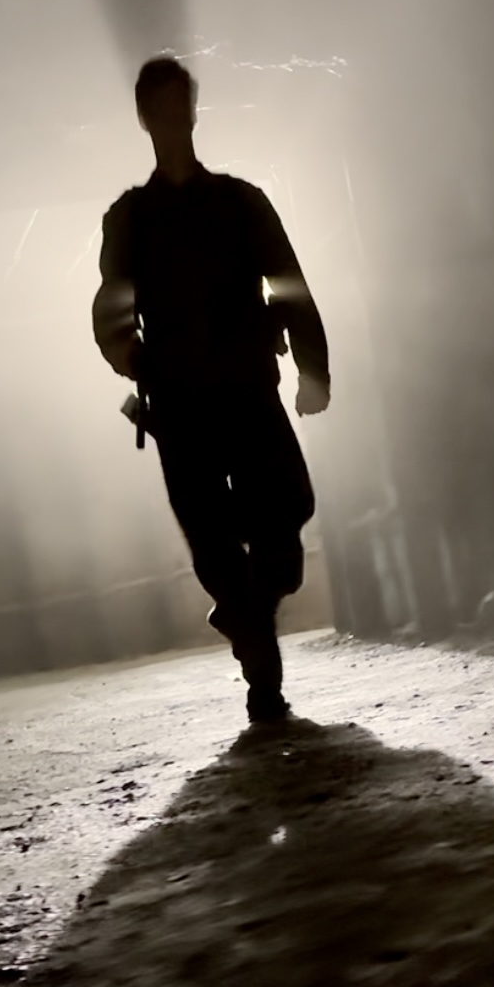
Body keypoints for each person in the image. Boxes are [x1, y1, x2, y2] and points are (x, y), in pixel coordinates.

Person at [91, 56, 331, 724]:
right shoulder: (130, 218)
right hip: (181, 407)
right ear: (145, 118)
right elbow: (111, 307)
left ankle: (245, 617)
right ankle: (263, 679)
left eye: (180, 104)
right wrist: (133, 358)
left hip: (249, 391)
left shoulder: (240, 202)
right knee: (215, 546)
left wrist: (313, 368)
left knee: (286, 517)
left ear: (193, 111)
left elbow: (289, 283)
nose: (173, 118)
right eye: (161, 107)